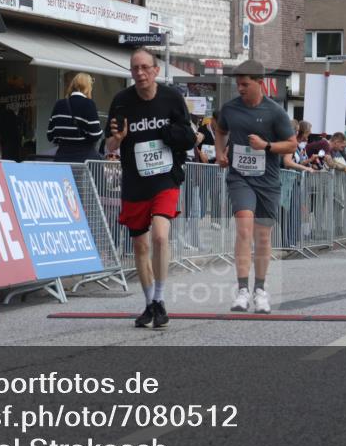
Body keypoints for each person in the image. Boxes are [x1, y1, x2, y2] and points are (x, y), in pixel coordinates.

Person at [105, 48, 196, 329]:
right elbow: (108, 145)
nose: (140, 73)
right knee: (140, 244)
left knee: (159, 236)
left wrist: (173, 135)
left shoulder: (172, 98)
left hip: (165, 178)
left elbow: (188, 136)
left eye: (145, 67)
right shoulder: (121, 102)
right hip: (134, 180)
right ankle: (149, 305)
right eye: (135, 69)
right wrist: (117, 139)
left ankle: (160, 298)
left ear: (156, 70)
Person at [213, 60, 297, 315]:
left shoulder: (275, 112)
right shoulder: (229, 109)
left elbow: (292, 145)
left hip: (268, 181)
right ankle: (241, 291)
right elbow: (220, 130)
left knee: (262, 236)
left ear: (260, 83)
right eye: (238, 84)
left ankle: (260, 290)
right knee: (244, 226)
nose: (240, 88)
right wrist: (220, 153)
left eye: (245, 84)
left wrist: (267, 146)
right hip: (240, 178)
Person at [47, 72, 103, 162]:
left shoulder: (59, 104)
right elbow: (95, 135)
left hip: (62, 157)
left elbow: (50, 134)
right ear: (88, 87)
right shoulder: (89, 104)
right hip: (83, 160)